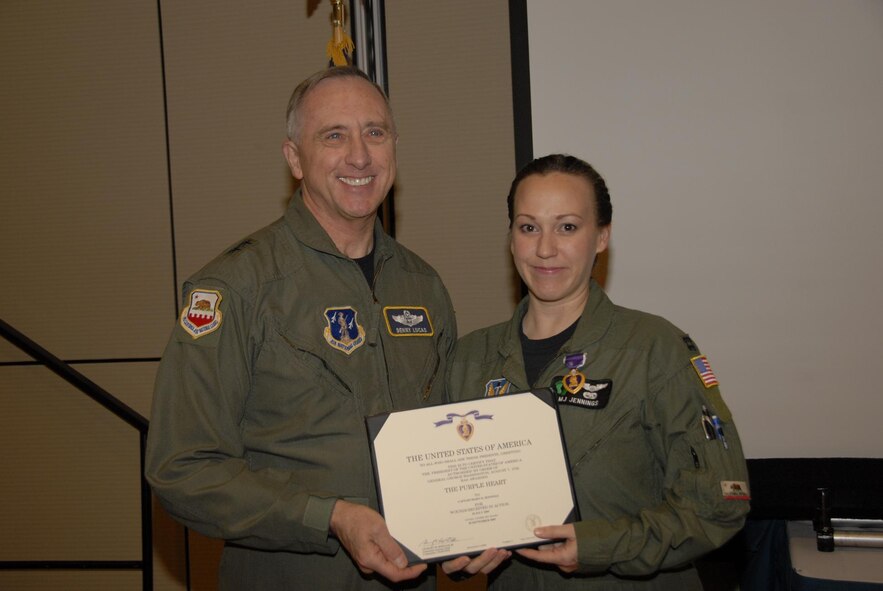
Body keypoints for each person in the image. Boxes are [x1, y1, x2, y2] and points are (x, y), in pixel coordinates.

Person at [146, 66, 459, 590]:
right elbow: (182, 469)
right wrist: (329, 516)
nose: (359, 156)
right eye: (334, 136)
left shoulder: (423, 286)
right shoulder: (235, 287)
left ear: (394, 148)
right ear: (294, 158)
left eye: (374, 132)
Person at [444, 154, 750, 589]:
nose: (545, 248)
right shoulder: (470, 358)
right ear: (511, 239)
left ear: (602, 236)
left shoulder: (653, 348)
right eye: (528, 227)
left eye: (567, 226)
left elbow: (720, 501)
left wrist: (600, 545)